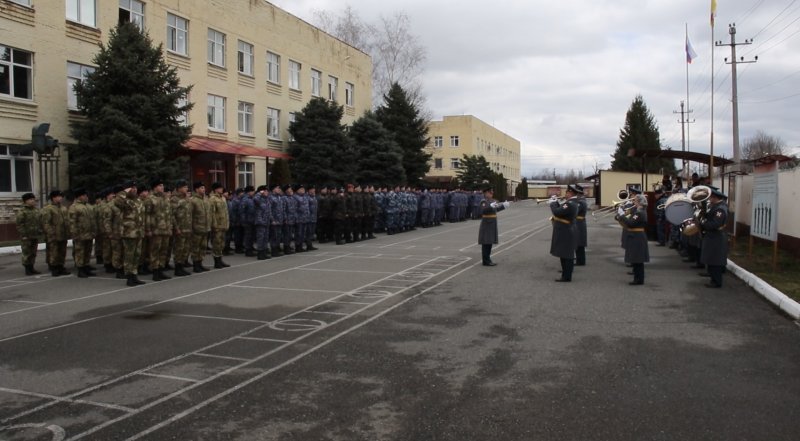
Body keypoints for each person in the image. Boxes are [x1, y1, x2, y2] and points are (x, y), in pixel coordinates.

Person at [114, 181, 146, 286]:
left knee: (136, 255)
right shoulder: (124, 201)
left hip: (138, 232)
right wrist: (124, 191)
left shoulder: (138, 201)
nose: (135, 189)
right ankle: (129, 277)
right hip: (129, 233)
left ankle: (134, 275)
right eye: (132, 188)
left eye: (135, 187)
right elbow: (117, 201)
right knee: (129, 255)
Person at [617, 194, 650, 285]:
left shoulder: (640, 212)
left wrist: (622, 215)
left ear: (639, 202)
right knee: (636, 258)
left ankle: (639, 279)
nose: (633, 202)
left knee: (638, 259)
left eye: (635, 201)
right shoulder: (638, 211)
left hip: (637, 236)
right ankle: (637, 278)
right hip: (636, 235)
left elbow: (631, 223)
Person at [700, 188, 729, 288]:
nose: (709, 199)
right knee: (711, 258)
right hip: (713, 237)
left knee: (716, 259)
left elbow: (716, 224)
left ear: (715, 197)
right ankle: (712, 278)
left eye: (710, 197)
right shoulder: (716, 206)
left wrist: (703, 223)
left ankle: (716, 281)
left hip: (717, 237)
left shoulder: (720, 208)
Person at [550, 186, 579, 282]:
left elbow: (557, 212)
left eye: (567, 192)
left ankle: (566, 276)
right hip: (567, 230)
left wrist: (552, 203)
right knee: (565, 253)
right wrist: (557, 202)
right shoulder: (571, 203)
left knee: (566, 254)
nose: (565, 194)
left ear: (571, 193)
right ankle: (566, 274)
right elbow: (562, 211)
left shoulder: (570, 203)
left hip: (565, 231)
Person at [146, 179, 173, 281]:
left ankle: (161, 269)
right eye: (160, 185)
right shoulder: (150, 199)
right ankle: (155, 271)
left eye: (162, 185)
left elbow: (169, 215)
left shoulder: (165, 199)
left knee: (163, 251)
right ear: (155, 187)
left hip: (165, 230)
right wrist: (148, 229)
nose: (162, 187)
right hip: (156, 230)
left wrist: (170, 227)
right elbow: (147, 215)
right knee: (155, 251)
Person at [477, 186, 509, 266]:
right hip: (486, 224)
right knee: (486, 242)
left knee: (490, 242)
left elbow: (496, 209)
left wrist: (503, 206)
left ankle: (488, 259)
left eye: (492, 192)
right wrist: (490, 207)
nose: (492, 193)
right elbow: (483, 211)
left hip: (492, 224)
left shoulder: (492, 201)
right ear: (486, 193)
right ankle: (485, 260)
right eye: (490, 192)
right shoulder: (483, 201)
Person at [41, 190, 71, 277]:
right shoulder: (48, 209)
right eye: (59, 196)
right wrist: (50, 233)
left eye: (61, 196)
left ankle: (61, 266)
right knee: (54, 252)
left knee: (62, 252)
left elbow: (67, 221)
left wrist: (68, 231)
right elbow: (46, 223)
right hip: (54, 235)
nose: (61, 198)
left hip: (63, 234)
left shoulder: (63, 208)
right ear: (53, 198)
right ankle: (54, 268)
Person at [68, 188, 97, 278]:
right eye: (84, 195)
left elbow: (92, 220)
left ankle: (86, 267)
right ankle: (80, 269)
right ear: (79, 197)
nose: (86, 197)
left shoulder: (88, 206)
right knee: (80, 252)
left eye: (86, 195)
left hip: (89, 233)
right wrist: (74, 234)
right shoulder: (74, 207)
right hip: (80, 234)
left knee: (87, 251)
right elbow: (72, 222)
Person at [15, 192, 42, 275]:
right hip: (26, 236)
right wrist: (24, 235)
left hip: (34, 235)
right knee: (27, 253)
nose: (32, 201)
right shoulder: (22, 211)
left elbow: (39, 221)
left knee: (33, 252)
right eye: (30, 199)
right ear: (25, 201)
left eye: (33, 199)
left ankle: (32, 267)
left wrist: (40, 230)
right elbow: (20, 224)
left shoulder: (36, 210)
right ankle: (27, 268)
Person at [170, 180, 192, 277]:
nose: (187, 189)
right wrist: (176, 228)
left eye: (187, 187)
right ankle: (178, 268)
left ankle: (182, 265)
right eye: (185, 187)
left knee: (185, 248)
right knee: (179, 248)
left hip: (187, 227)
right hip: (180, 228)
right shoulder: (174, 199)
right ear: (179, 188)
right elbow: (172, 215)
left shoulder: (186, 198)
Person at [189, 181, 211, 272]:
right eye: (201, 188)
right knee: (196, 247)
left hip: (205, 227)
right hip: (196, 228)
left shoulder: (205, 199)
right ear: (196, 189)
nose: (203, 189)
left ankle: (200, 263)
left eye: (204, 187)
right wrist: (191, 227)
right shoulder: (193, 200)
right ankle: (195, 265)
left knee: (203, 247)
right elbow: (190, 215)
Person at [209, 182, 231, 268]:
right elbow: (212, 214)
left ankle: (220, 260)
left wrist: (227, 223)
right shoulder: (212, 199)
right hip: (217, 226)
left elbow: (226, 213)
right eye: (220, 188)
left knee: (221, 243)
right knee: (216, 243)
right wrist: (214, 225)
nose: (222, 189)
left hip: (223, 225)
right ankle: (216, 261)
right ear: (216, 189)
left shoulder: (223, 198)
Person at [574, 184, 588, 266]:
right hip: (579, 222)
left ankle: (581, 261)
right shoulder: (580, 200)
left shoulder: (581, 202)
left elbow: (575, 211)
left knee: (579, 243)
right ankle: (580, 260)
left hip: (579, 223)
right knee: (578, 243)